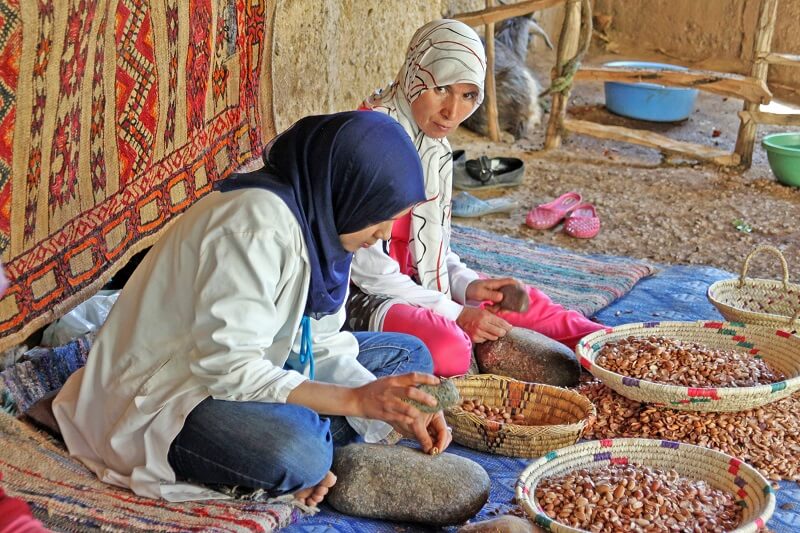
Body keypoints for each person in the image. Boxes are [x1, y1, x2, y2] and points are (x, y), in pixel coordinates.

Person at [52, 111, 452, 506]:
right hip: (168, 398)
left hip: (253, 372)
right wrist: (359, 403)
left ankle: (301, 459)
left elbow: (322, 342)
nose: (383, 235)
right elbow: (227, 369)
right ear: (348, 187)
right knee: (302, 452)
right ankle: (304, 459)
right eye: (380, 217)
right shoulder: (254, 225)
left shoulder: (326, 225)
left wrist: (396, 407)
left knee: (409, 358)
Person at [348, 19, 604, 377]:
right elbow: (370, 273)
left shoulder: (434, 148)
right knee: (450, 348)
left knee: (521, 301)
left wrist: (467, 285)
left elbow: (433, 244)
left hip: (418, 285)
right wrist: (456, 312)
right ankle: (482, 349)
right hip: (357, 294)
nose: (452, 112)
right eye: (441, 89)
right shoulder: (368, 141)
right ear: (415, 73)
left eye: (468, 95)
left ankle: (611, 345)